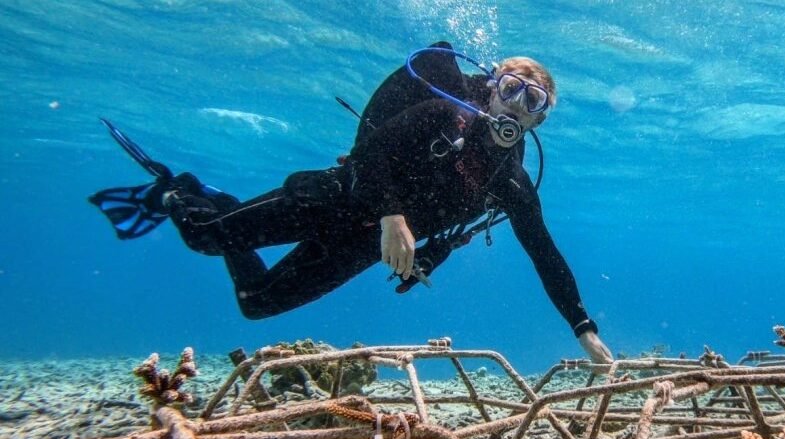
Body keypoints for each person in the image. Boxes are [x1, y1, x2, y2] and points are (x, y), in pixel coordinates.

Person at [89, 41, 613, 363]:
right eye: (512, 88)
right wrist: (392, 216)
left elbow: (545, 253)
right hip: (331, 199)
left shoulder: (512, 182)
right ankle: (176, 191)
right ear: (493, 85)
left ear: (538, 120)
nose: (516, 104)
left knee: (256, 303)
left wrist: (582, 327)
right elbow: (373, 150)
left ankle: (220, 200)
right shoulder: (442, 114)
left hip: (360, 247)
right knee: (205, 237)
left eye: (532, 101)